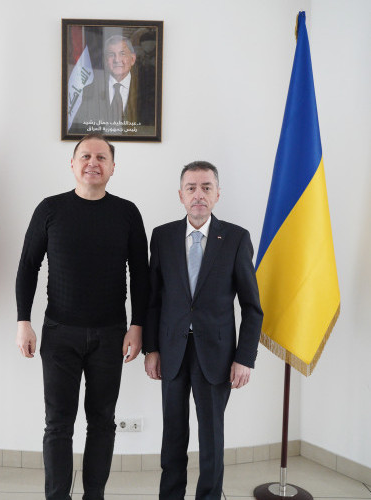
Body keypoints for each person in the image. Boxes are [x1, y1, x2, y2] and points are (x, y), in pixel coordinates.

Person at [16, 133, 149, 500]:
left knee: (102, 422)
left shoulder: (127, 213)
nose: (93, 162)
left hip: (111, 335)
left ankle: (95, 495)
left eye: (101, 157)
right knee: (58, 424)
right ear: (72, 164)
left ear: (113, 167)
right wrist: (23, 321)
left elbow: (141, 274)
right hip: (59, 333)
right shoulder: (50, 209)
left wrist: (137, 325)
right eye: (86, 156)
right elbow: (28, 266)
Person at [143, 161, 263, 500]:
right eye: (192, 188)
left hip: (217, 354)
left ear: (217, 194)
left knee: (211, 437)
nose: (199, 195)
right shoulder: (163, 236)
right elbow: (153, 299)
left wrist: (245, 358)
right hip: (172, 351)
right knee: (173, 435)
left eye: (206, 187)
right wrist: (152, 349)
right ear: (181, 195)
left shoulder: (236, 238)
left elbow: (252, 307)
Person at [70, 35, 155, 134]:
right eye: (111, 54)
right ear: (106, 61)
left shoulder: (149, 90)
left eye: (122, 54)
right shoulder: (89, 90)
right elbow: (81, 128)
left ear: (132, 59)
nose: (117, 60)